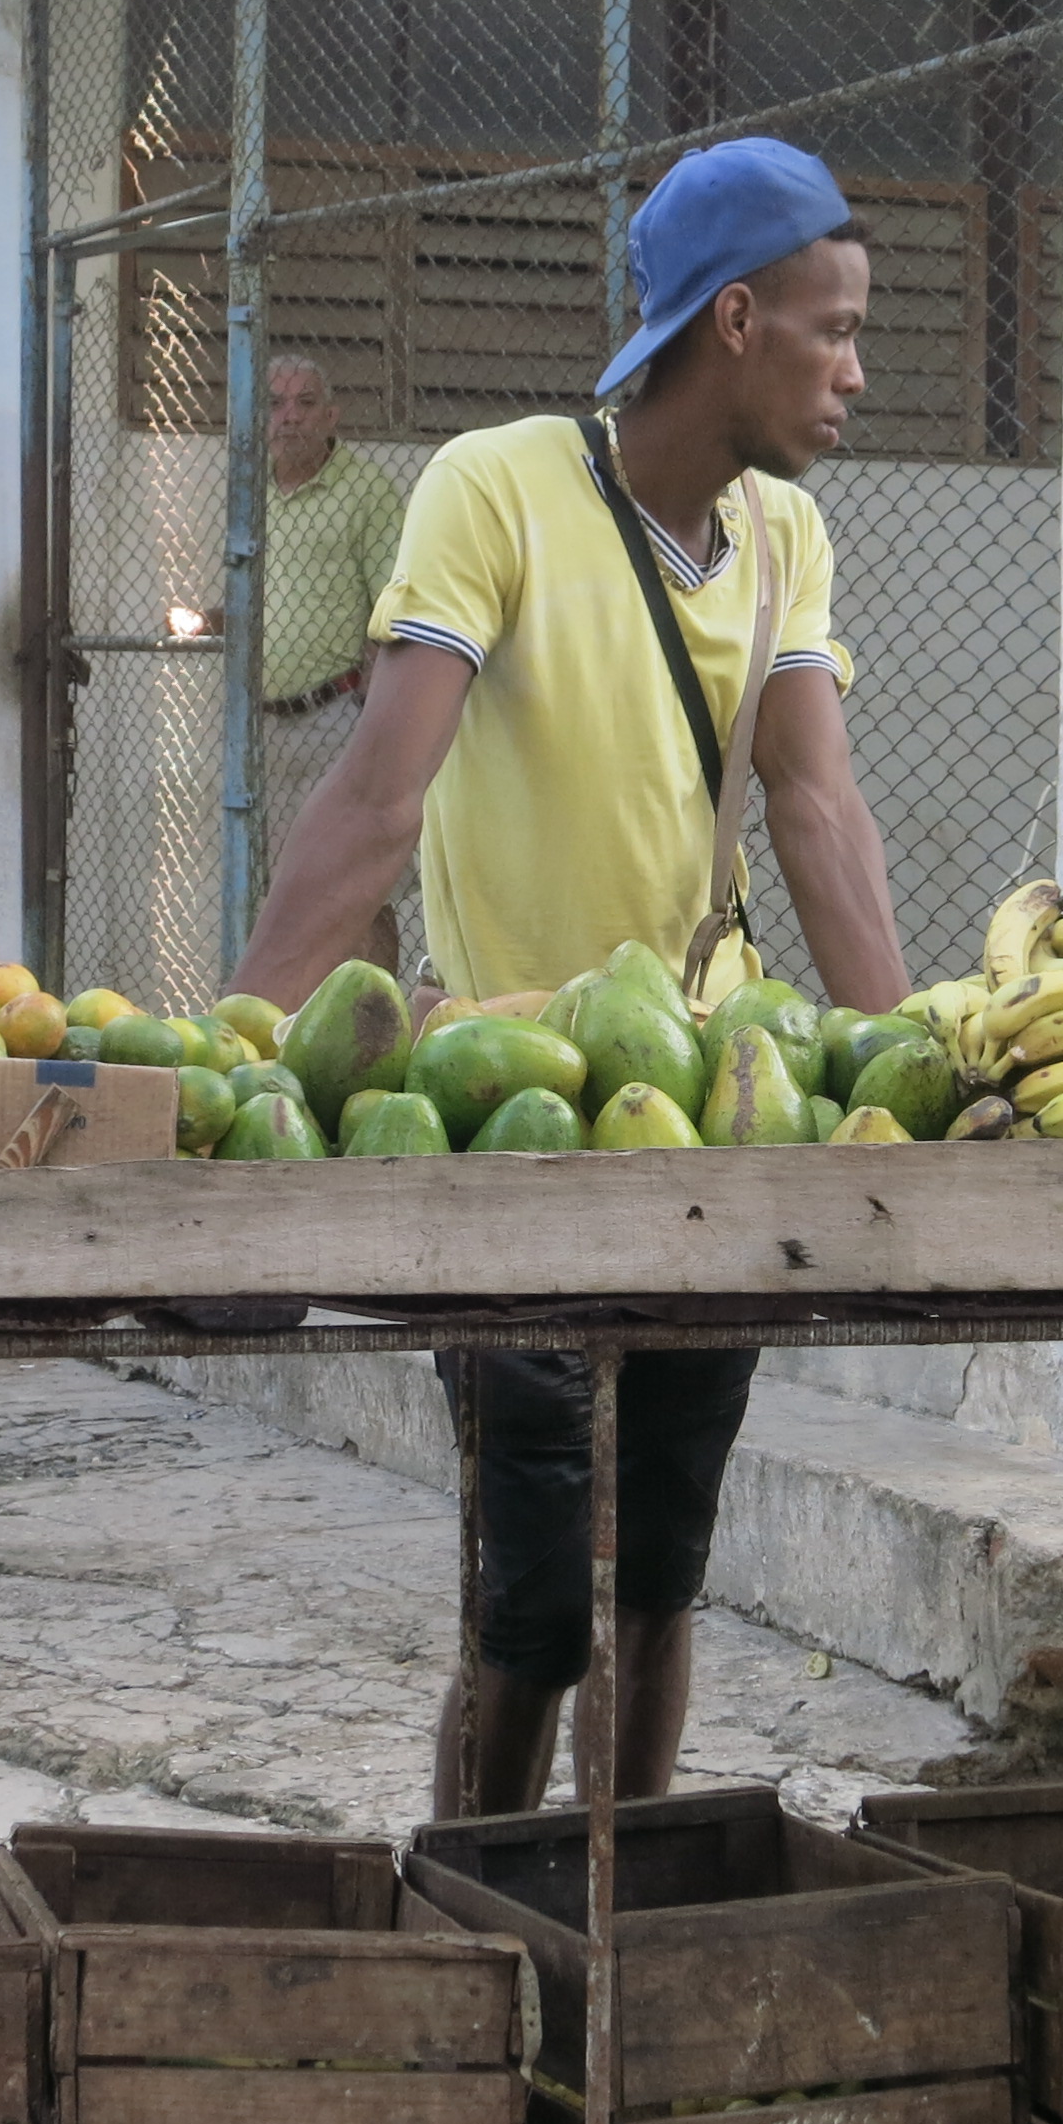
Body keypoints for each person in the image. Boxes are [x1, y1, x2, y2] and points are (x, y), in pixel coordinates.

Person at [223, 137, 911, 1820]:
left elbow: (817, 807)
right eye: (831, 329)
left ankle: (631, 1903)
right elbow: (379, 795)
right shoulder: (499, 488)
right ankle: (482, 1901)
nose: (855, 370)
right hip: (506, 1131)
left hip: (709, 1122)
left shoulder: (787, 539)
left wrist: (916, 1073)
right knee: (532, 1608)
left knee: (659, 1580)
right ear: (733, 321)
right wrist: (227, 1056)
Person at [249, 354, 407, 973]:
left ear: (331, 415)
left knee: (358, 887)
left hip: (335, 717)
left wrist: (375, 707)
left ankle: (378, 1010)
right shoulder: (250, 491)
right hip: (260, 727)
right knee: (281, 890)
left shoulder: (365, 491)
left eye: (305, 403)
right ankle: (292, 1014)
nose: (289, 417)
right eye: (275, 404)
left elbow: (396, 602)